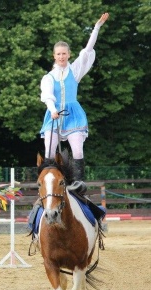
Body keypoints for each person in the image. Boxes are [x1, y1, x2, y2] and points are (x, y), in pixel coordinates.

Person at [40, 12, 109, 195]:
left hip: (73, 115)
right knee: (49, 151)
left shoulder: (75, 70)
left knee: (77, 149)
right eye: (58, 54)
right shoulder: (48, 77)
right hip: (53, 115)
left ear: (68, 54)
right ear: (54, 56)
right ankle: (49, 185)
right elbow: (47, 96)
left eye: (64, 53)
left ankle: (78, 183)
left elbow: (87, 50)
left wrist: (97, 27)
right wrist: (53, 109)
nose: (61, 56)